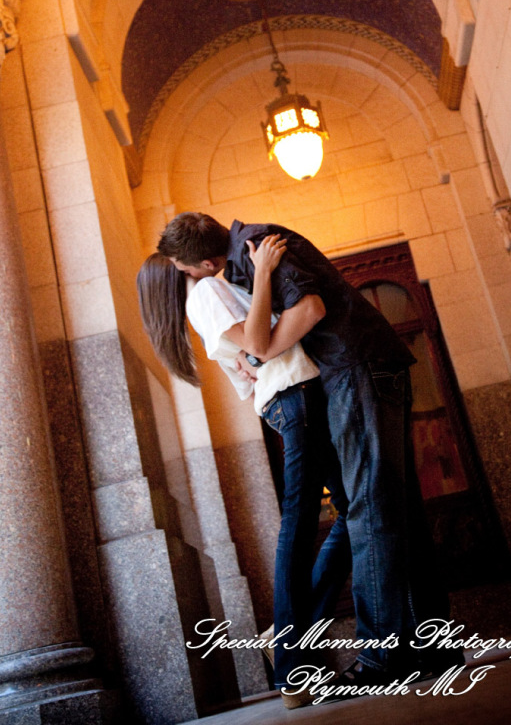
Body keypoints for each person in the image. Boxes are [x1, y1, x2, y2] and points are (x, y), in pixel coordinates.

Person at [157, 213, 457, 688]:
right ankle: (433, 647)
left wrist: (259, 351)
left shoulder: (256, 247)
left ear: (207, 259)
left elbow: (309, 309)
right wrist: (256, 352)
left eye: (184, 267)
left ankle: (382, 658)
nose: (187, 276)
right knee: (395, 508)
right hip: (361, 368)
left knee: (368, 508)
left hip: (355, 369)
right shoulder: (242, 261)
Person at [136, 236, 351, 708]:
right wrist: (265, 275)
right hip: (294, 397)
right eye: (185, 264)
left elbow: (252, 353)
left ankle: (290, 640)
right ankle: (293, 663)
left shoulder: (204, 300)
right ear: (179, 272)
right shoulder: (206, 294)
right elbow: (260, 344)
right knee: (308, 522)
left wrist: (258, 350)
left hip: (288, 398)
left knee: (345, 514)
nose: (203, 264)